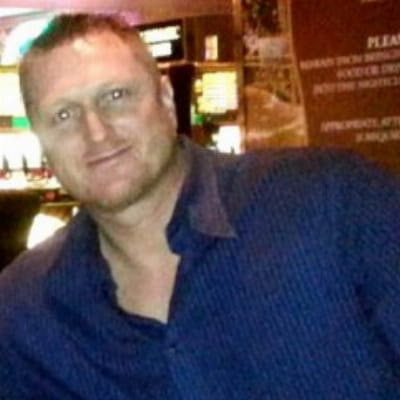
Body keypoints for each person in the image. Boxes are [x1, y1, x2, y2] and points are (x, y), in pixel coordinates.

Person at [1, 13, 400, 400]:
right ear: (41, 139)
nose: (97, 132)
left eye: (116, 96)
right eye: (63, 114)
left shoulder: (335, 202)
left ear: (166, 99)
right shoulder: (24, 309)